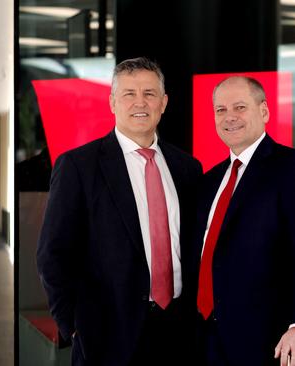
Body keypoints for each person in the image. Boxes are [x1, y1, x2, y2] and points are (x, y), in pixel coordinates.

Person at [36, 57, 202, 365]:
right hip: (107, 335)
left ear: (163, 103)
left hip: (179, 332)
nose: (140, 102)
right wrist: (73, 326)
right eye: (129, 93)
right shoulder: (78, 166)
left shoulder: (188, 168)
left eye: (150, 93)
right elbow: (52, 254)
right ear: (113, 102)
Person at [194, 76, 295, 366]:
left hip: (263, 342)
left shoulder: (293, 168)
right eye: (220, 110)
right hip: (203, 340)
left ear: (264, 112)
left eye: (240, 107)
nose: (229, 117)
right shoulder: (209, 181)